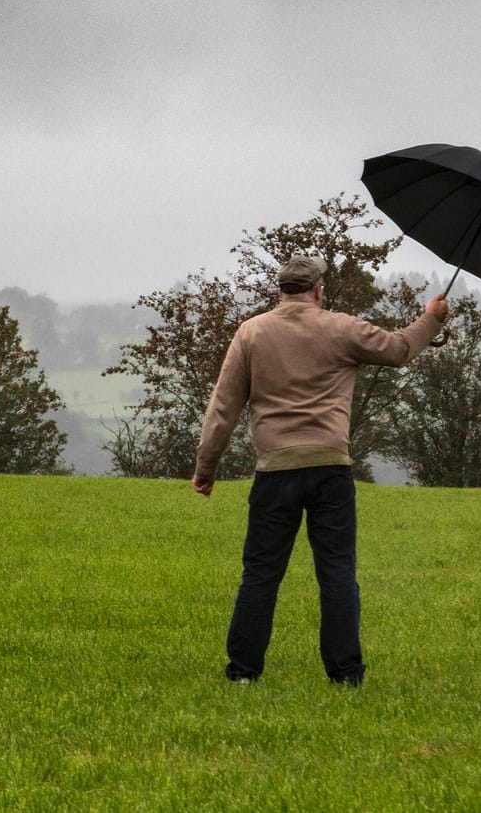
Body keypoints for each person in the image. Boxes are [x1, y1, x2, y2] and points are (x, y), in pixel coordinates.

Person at [191, 254, 448, 686]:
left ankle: (243, 672)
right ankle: (346, 674)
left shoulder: (251, 333)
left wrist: (206, 467)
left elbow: (223, 408)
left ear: (281, 290)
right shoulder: (342, 328)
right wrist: (431, 319)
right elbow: (400, 349)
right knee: (337, 573)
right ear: (318, 291)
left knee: (260, 574)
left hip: (274, 471)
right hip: (331, 469)